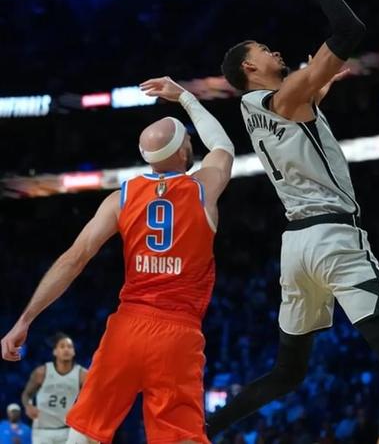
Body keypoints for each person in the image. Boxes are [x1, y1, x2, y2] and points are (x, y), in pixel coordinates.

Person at [207, 0, 379, 444]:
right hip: (333, 238)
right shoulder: (284, 97)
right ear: (249, 69)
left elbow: (298, 107)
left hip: (296, 249)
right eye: (263, 50)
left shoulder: (254, 107)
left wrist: (321, 82)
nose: (274, 52)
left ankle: (200, 431)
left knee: (288, 373)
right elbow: (349, 30)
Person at [1, 79, 234, 444]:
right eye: (188, 142)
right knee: (180, 437)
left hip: (126, 328)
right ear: (181, 152)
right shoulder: (203, 188)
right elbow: (223, 146)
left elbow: (73, 259)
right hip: (177, 333)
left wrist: (24, 320)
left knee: (84, 433)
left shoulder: (120, 198)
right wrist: (186, 98)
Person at [21, 333, 87, 444]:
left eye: (69, 347)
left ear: (74, 352)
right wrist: (28, 406)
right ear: (55, 351)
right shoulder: (41, 372)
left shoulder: (82, 375)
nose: (66, 349)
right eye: (62, 346)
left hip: (68, 430)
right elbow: (26, 394)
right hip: (42, 431)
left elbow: (91, 400)